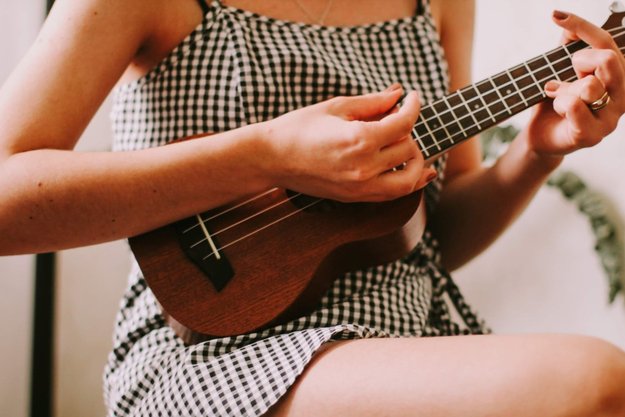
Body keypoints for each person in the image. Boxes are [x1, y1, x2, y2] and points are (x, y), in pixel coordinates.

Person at [1, 0, 625, 415]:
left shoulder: (437, 3)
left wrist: (538, 152)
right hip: (209, 354)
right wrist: (266, 155)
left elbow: (434, 238)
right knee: (593, 380)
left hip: (409, 338)